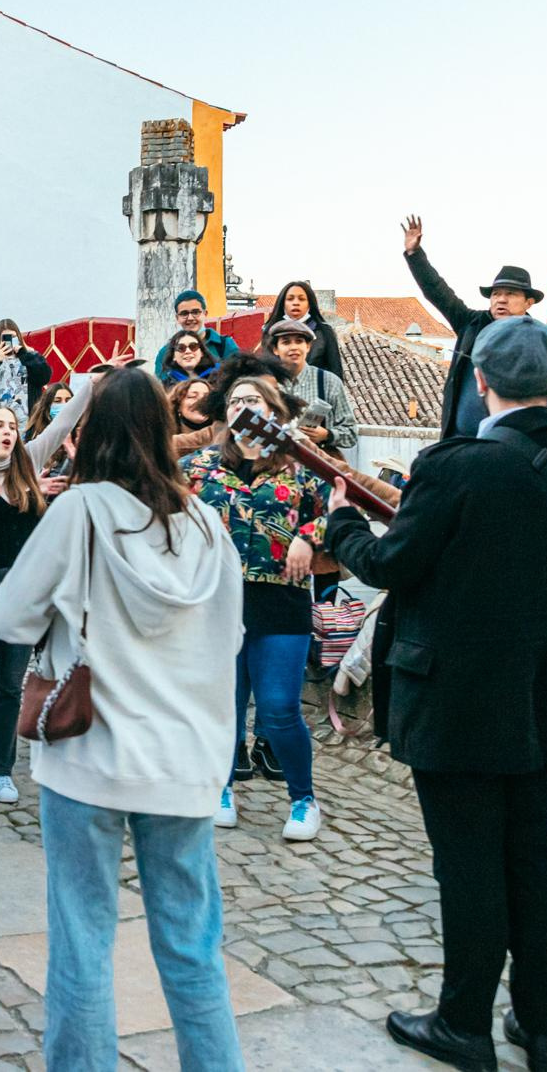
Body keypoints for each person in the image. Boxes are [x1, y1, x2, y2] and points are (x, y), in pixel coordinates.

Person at [325, 317, 547, 1071]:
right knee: (528, 850)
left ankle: (464, 1022)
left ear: (482, 381)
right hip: (543, 685)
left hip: (457, 691)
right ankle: (540, 1022)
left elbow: (392, 562)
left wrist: (339, 524)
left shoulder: (453, 463)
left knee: (466, 861)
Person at [0, 368, 245, 1072]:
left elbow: (7, 616)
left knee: (83, 941)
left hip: (91, 753)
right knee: (193, 947)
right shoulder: (205, 523)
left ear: (89, 432)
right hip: (183, 758)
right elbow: (228, 637)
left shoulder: (81, 511)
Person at [0, 364, 118, 805]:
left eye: (12, 426)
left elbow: (64, 420)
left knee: (11, 685)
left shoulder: (27, 463)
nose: (7, 433)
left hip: (26, 590)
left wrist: (94, 385)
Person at [185, 377, 329, 840]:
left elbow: (339, 508)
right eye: (236, 401)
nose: (245, 407)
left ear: (274, 411)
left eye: (255, 400)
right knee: (224, 706)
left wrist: (309, 536)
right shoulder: (201, 466)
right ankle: (221, 787)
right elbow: (164, 510)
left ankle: (304, 798)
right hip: (217, 603)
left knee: (279, 707)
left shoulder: (301, 465)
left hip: (281, 602)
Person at [401, 214, 544, 439]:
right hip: (458, 437)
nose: (501, 299)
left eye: (511, 294)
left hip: (509, 441)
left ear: (529, 302)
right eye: (496, 294)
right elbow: (436, 291)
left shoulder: (537, 337)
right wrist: (414, 254)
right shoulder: (471, 324)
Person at [267, 319, 358, 455]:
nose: (293, 347)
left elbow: (351, 433)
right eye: (286, 342)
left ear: (308, 346)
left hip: (318, 463)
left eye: (299, 341)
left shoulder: (329, 382)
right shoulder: (266, 384)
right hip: (277, 463)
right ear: (275, 349)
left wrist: (327, 435)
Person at [257, 281, 348, 384]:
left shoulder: (324, 331)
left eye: (301, 299)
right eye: (290, 299)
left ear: (309, 303)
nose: (296, 303)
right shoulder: (270, 332)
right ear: (283, 303)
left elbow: (335, 370)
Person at [0, 319, 52, 419]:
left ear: (18, 338)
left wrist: (25, 354)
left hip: (30, 421)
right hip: (2, 421)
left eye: (13, 337)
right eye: (5, 338)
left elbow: (44, 377)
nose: (9, 341)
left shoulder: (29, 357)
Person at [153, 290, 242, 381]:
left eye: (195, 312)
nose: (190, 318)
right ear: (177, 318)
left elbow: (239, 378)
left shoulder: (224, 345)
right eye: (184, 313)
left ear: (205, 314)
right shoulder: (166, 352)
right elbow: (160, 388)